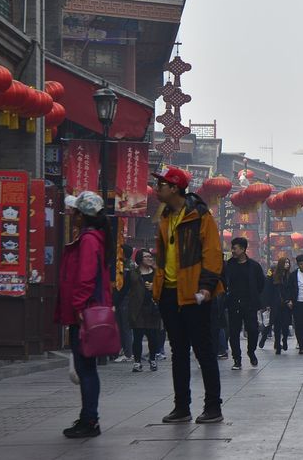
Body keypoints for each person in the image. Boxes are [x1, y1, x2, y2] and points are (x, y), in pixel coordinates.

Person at [151, 167, 225, 425]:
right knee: (178, 352)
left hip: (195, 294)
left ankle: (213, 407)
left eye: (160, 184)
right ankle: (181, 407)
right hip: (170, 293)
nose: (156, 188)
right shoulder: (164, 216)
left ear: (174, 188)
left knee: (204, 351)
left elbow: (213, 253)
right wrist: (158, 290)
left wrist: (206, 287)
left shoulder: (200, 215)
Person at [54, 191, 112, 438]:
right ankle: (89, 417)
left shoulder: (89, 239)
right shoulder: (94, 237)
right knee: (86, 367)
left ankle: (90, 420)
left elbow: (86, 277)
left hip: (84, 312)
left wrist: (79, 308)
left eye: (74, 211)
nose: (71, 215)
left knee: (85, 367)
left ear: (81, 214)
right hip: (86, 309)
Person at [113, 249, 163, 373]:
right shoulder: (132, 274)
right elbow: (124, 290)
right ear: (140, 259)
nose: (149, 258)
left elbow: (165, 289)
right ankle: (137, 362)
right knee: (138, 336)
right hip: (137, 309)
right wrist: (114, 304)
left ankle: (152, 359)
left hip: (153, 309)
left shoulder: (157, 274)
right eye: (146, 257)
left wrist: (154, 287)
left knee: (153, 337)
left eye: (150, 257)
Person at [222, 237, 266, 370]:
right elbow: (223, 282)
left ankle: (251, 351)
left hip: (249, 304)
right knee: (233, 332)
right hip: (233, 303)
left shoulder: (254, 266)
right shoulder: (228, 265)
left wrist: (254, 296)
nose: (233, 251)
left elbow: (261, 283)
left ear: (242, 249)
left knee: (252, 330)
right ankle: (237, 359)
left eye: (235, 248)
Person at [264, 257, 292, 354]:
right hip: (276, 304)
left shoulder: (289, 276)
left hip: (286, 304)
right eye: (285, 263)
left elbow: (290, 290)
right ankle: (277, 344)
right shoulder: (273, 275)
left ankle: (284, 339)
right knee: (277, 325)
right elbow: (268, 290)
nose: (287, 264)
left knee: (285, 325)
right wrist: (267, 303)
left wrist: (290, 300)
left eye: (288, 262)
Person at [113, 243, 135, 363]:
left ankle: (128, 353)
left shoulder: (128, 267)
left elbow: (125, 287)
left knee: (125, 327)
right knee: (122, 326)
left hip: (126, 300)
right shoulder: (126, 265)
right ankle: (125, 351)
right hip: (124, 299)